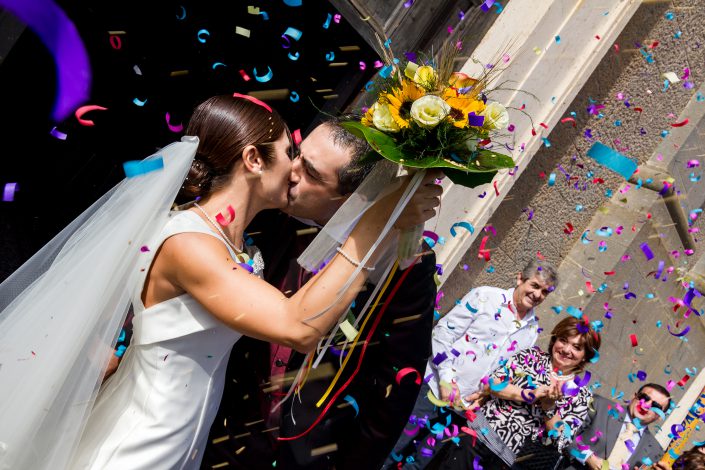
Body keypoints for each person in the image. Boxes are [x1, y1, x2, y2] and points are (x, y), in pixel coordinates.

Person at [0, 94, 425, 470]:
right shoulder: (190, 243)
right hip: (141, 437)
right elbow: (299, 326)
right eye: (290, 152)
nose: (294, 169)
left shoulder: (234, 242)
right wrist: (377, 222)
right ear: (253, 160)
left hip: (184, 438)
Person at [201, 117, 444, 470]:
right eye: (296, 155)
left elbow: (395, 390)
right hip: (218, 420)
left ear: (351, 198)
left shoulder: (404, 263)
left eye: (311, 174)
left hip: (298, 451)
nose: (291, 171)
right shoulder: (262, 211)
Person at [383, 260, 558, 469]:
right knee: (392, 449)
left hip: (462, 409)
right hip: (431, 390)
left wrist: (484, 397)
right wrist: (446, 381)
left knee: (418, 465)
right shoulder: (485, 297)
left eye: (545, 292)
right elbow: (442, 334)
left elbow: (504, 373)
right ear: (520, 278)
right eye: (535, 286)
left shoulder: (531, 331)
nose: (538, 295)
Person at [436, 315, 601, 470]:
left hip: (510, 462)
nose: (566, 349)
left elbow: (562, 440)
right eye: (563, 340)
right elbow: (493, 383)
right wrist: (529, 394)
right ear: (555, 339)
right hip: (477, 437)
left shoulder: (581, 396)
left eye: (576, 347)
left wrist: (549, 408)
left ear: (586, 356)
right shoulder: (531, 356)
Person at [565, 383, 672, 470]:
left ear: (660, 416)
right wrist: (588, 457)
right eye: (644, 397)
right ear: (634, 396)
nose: (646, 405)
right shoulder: (599, 405)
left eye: (656, 406)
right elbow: (564, 432)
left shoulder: (655, 452)